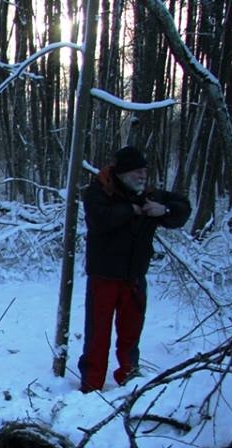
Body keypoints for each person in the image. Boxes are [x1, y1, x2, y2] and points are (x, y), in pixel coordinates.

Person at [78, 145, 191, 393]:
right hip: (103, 277)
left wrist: (165, 210)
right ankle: (91, 385)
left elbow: (182, 208)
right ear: (122, 173)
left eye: (144, 171)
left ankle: (129, 379)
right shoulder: (99, 191)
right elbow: (99, 220)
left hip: (135, 278)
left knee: (130, 335)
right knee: (97, 335)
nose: (142, 176)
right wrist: (133, 210)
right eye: (137, 171)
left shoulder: (148, 195)